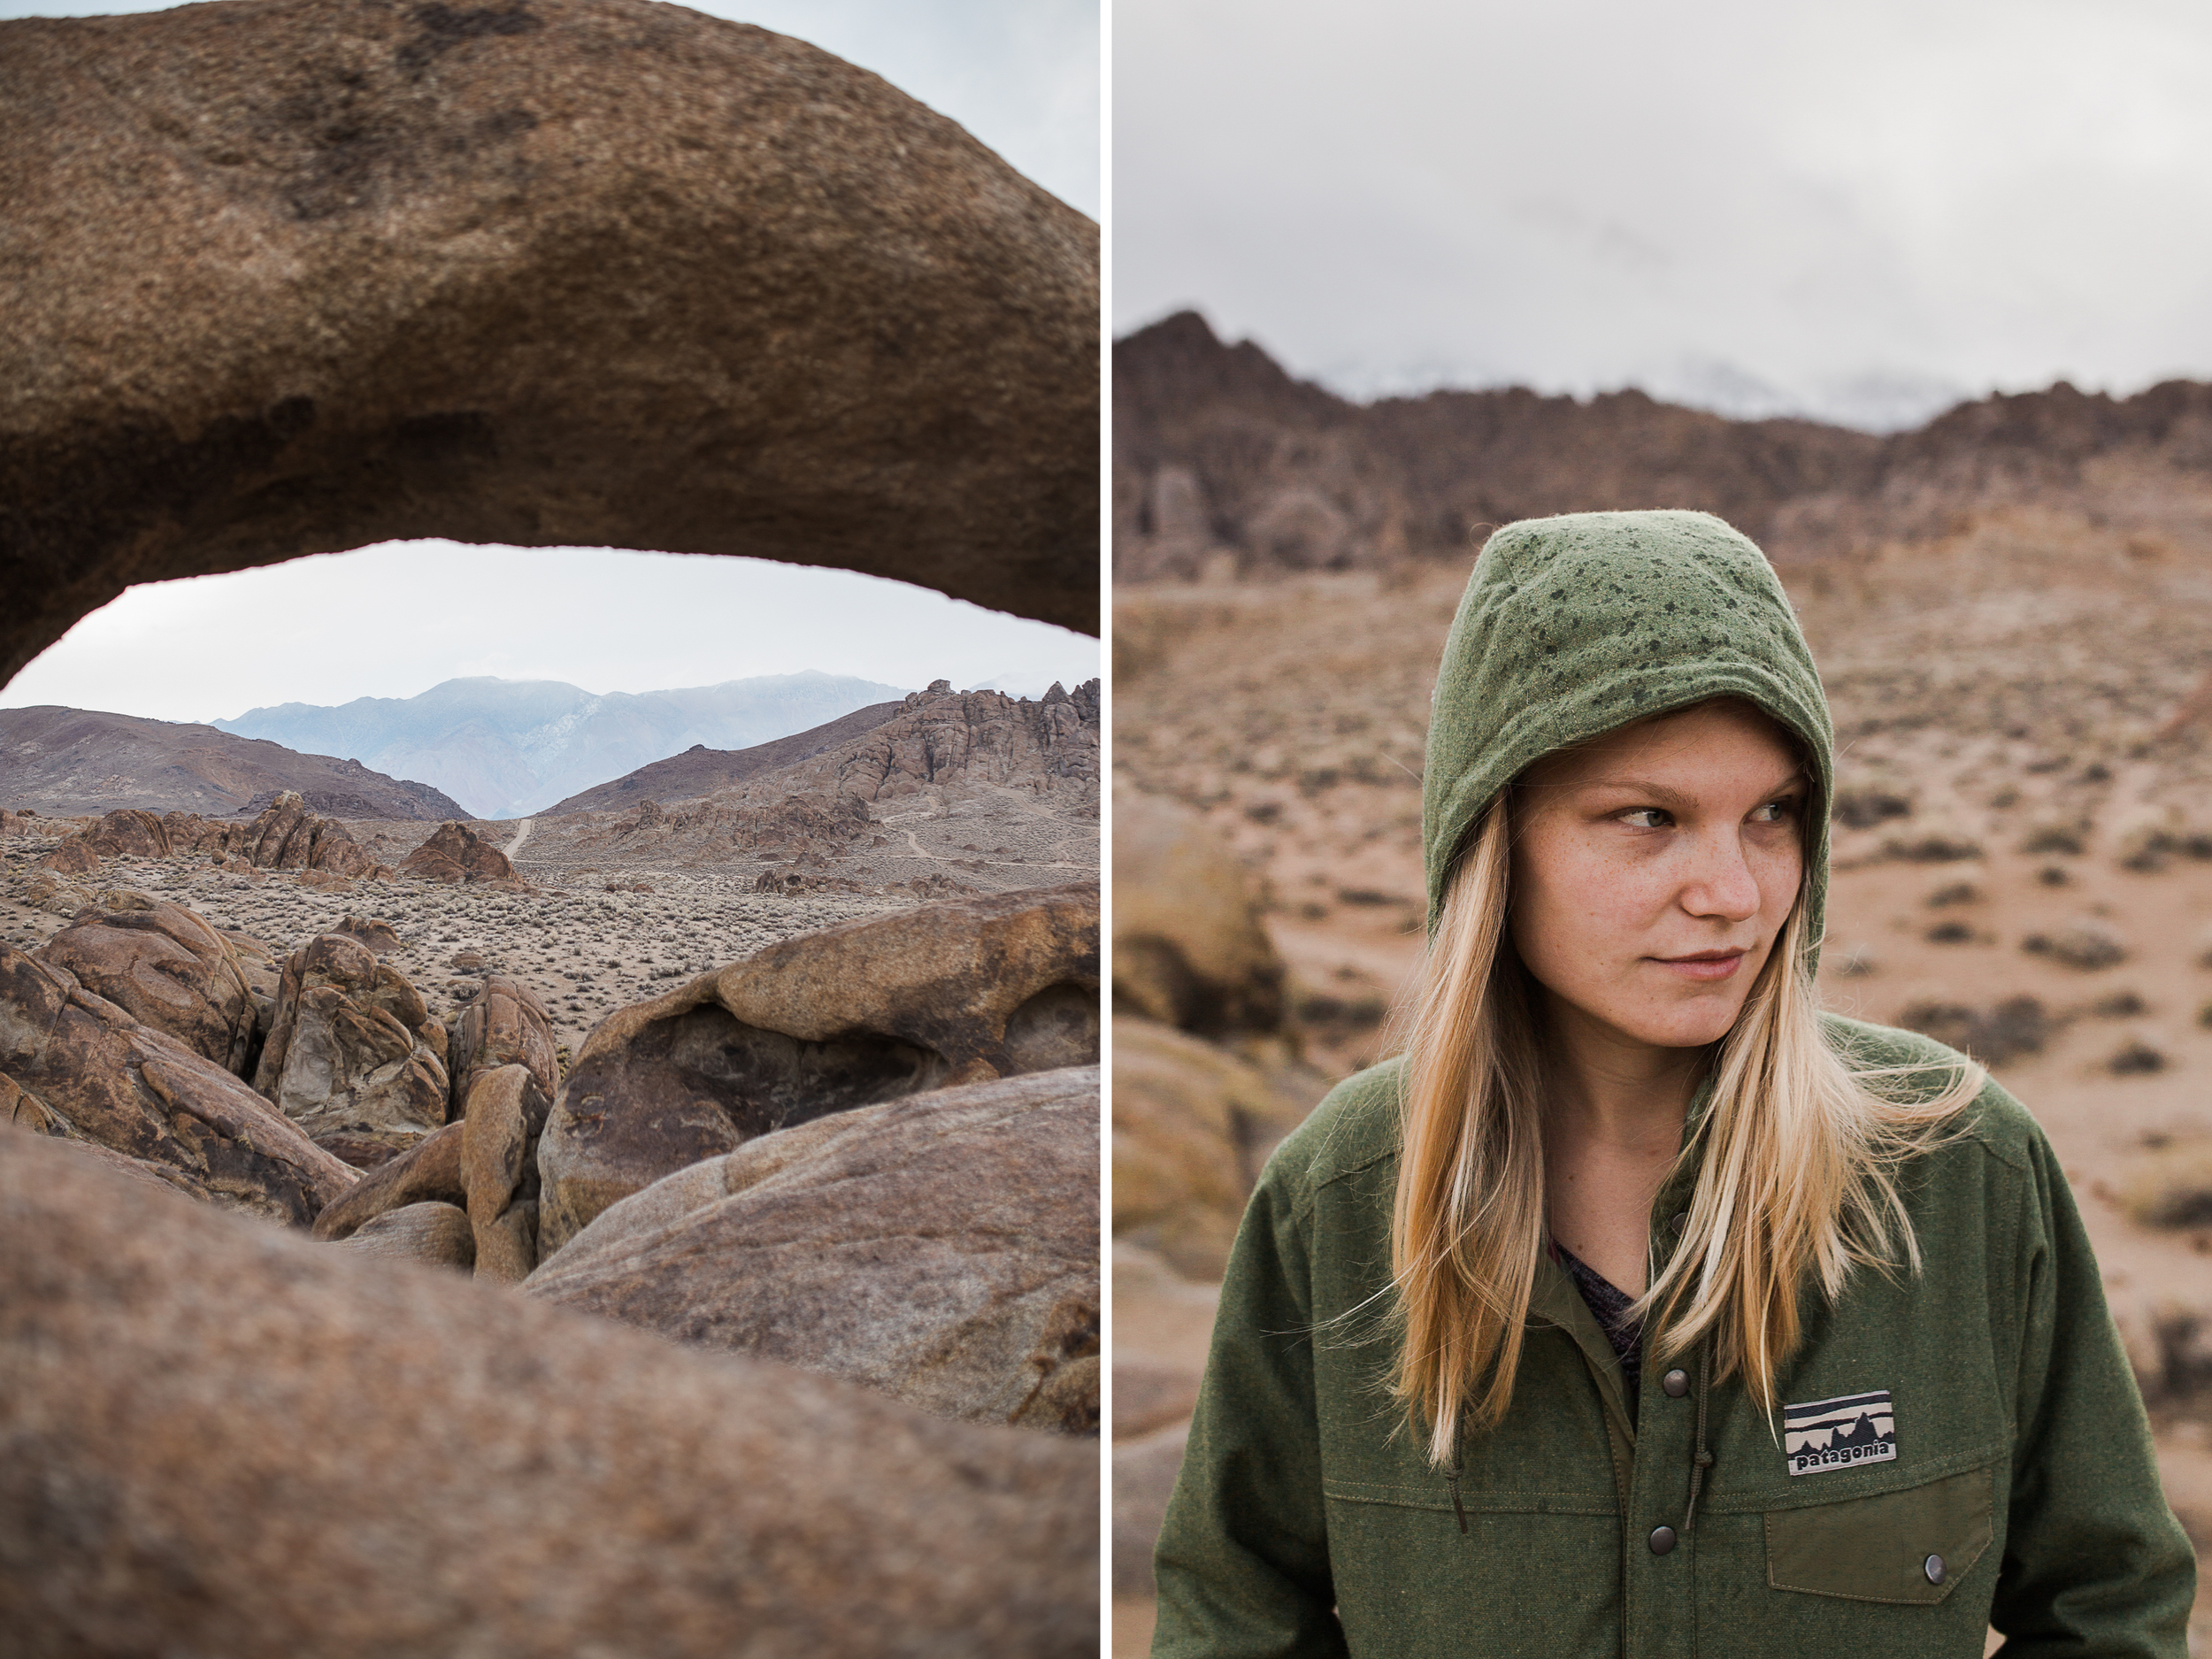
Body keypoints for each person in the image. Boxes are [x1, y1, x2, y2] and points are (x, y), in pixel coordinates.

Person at [1148, 510, 2195, 1657]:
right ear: (1496, 836)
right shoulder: (1338, 1202)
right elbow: (1233, 1619)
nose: (1733, 891)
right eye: (1649, 819)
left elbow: (2111, 1609)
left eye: (1772, 816)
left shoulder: (1959, 1171)